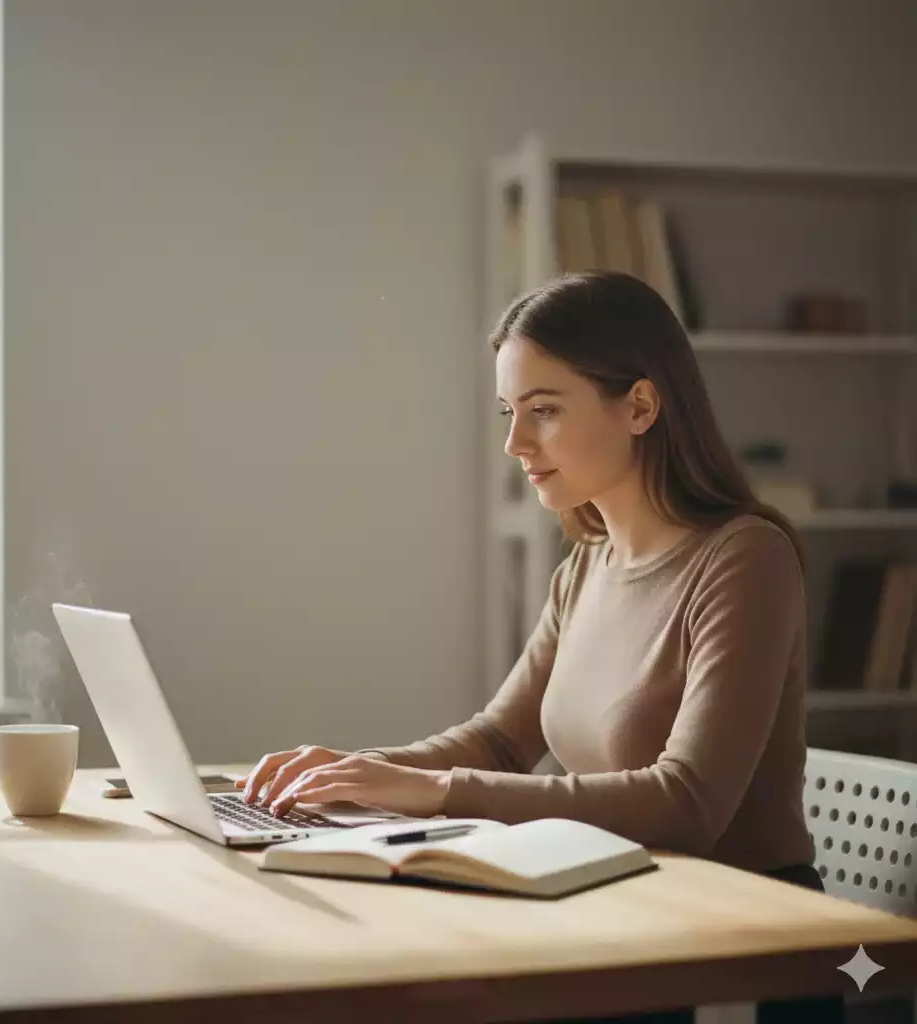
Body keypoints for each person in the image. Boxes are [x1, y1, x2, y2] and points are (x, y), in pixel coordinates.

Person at [236, 272, 844, 1024]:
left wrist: (434, 791)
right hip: (624, 916)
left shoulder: (745, 558)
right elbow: (499, 739)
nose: (515, 443)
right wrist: (360, 771)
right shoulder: (586, 566)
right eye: (510, 413)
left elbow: (687, 804)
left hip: (734, 953)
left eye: (544, 411)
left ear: (642, 407)